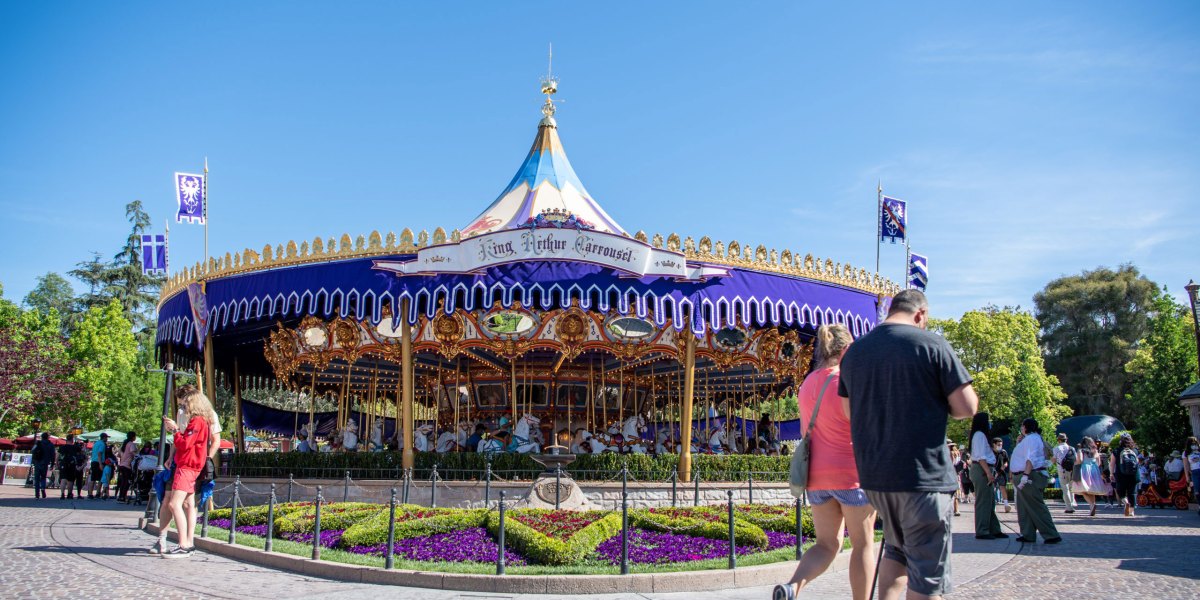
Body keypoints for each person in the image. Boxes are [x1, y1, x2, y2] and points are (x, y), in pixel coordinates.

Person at [836, 290, 979, 600]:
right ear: (920, 315)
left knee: (896, 554)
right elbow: (967, 407)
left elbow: (850, 412)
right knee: (927, 576)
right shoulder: (931, 344)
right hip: (922, 477)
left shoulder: (855, 353)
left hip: (877, 480)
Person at [775, 324, 877, 600]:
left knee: (826, 545)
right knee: (863, 545)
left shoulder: (808, 384)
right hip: (851, 473)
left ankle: (791, 587)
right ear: (846, 350)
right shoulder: (847, 381)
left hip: (817, 477)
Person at [152, 386, 214, 558]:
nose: (183, 408)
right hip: (190, 465)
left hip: (187, 466)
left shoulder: (197, 422)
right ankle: (187, 542)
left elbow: (185, 444)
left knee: (174, 504)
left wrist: (174, 430)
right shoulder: (203, 421)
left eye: (185, 404)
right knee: (187, 503)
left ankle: (184, 544)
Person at [1009, 418, 1061, 544]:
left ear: (1026, 427)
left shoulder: (1032, 439)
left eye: (1022, 426)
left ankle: (1051, 534)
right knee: (1024, 507)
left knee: (1036, 506)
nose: (1021, 428)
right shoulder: (1029, 439)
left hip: (1029, 475)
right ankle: (1027, 533)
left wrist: (1025, 475)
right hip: (1024, 474)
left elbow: (1030, 458)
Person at [968, 413, 1006, 540]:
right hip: (982, 470)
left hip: (984, 469)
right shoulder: (979, 435)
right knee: (983, 501)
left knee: (989, 501)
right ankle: (982, 530)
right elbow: (980, 457)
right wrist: (989, 473)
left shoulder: (980, 435)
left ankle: (994, 529)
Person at [1074, 436, 1111, 517]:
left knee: (1083, 490)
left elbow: (1079, 460)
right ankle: (1092, 506)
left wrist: (1075, 463)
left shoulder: (1081, 450)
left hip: (1084, 469)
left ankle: (1091, 504)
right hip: (1094, 470)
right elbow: (1098, 463)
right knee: (1091, 489)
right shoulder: (1095, 450)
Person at [1109, 433, 1139, 517]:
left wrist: (1111, 474)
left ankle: (1126, 502)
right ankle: (1132, 511)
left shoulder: (1116, 450)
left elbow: (1112, 464)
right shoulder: (1135, 450)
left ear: (1120, 441)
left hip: (1121, 474)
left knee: (1120, 491)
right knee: (1132, 492)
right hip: (1133, 474)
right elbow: (1137, 463)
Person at [1052, 433, 1077, 514]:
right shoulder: (1072, 448)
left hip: (1062, 470)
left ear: (1059, 440)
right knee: (1071, 488)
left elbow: (1054, 460)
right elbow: (1076, 459)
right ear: (1066, 440)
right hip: (1072, 470)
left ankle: (1069, 507)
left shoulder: (1056, 448)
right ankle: (1072, 503)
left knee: (1065, 488)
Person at [58, 434, 85, 499]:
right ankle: (69, 494)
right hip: (72, 464)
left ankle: (62, 494)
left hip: (63, 463)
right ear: (72, 440)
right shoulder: (75, 447)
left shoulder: (62, 447)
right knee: (70, 480)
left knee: (63, 479)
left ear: (66, 439)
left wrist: (57, 463)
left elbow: (57, 455)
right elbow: (82, 453)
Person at [31, 432, 56, 499]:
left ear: (42, 437)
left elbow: (32, 451)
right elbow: (53, 455)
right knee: (43, 477)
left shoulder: (38, 443)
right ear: (48, 437)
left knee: (37, 478)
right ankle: (43, 488)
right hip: (45, 463)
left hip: (37, 462)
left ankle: (37, 494)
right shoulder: (51, 445)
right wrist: (52, 464)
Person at [116, 432, 138, 503]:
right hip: (127, 465)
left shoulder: (124, 444)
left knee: (123, 481)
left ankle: (120, 496)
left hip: (122, 465)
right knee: (127, 482)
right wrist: (138, 456)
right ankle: (123, 497)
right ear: (133, 437)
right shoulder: (131, 444)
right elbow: (133, 452)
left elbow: (119, 455)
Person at [991, 438, 1011, 513]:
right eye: (998, 445)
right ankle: (993, 506)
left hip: (1001, 473)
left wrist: (1005, 465)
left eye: (1001, 445)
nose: (1000, 446)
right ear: (994, 444)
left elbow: (1006, 461)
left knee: (1003, 487)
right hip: (993, 473)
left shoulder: (1003, 452)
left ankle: (1006, 505)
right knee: (993, 489)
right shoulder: (990, 452)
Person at [87, 432, 108, 499]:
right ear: (104, 437)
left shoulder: (96, 443)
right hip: (98, 462)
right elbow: (99, 453)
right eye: (106, 437)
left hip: (93, 461)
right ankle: (98, 493)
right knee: (100, 479)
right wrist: (100, 464)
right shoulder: (102, 444)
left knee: (93, 478)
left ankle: (90, 493)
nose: (107, 439)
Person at [1185, 436, 1200, 515]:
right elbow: (1186, 465)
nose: (1194, 445)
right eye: (1192, 443)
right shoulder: (1186, 453)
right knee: (1197, 491)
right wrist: (1187, 477)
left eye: (1195, 443)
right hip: (1194, 472)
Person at [949, 442, 964, 516]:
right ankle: (956, 509)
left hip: (949, 474)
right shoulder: (958, 453)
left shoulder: (950, 453)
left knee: (949, 492)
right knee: (956, 492)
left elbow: (950, 464)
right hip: (956, 474)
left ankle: (948, 509)